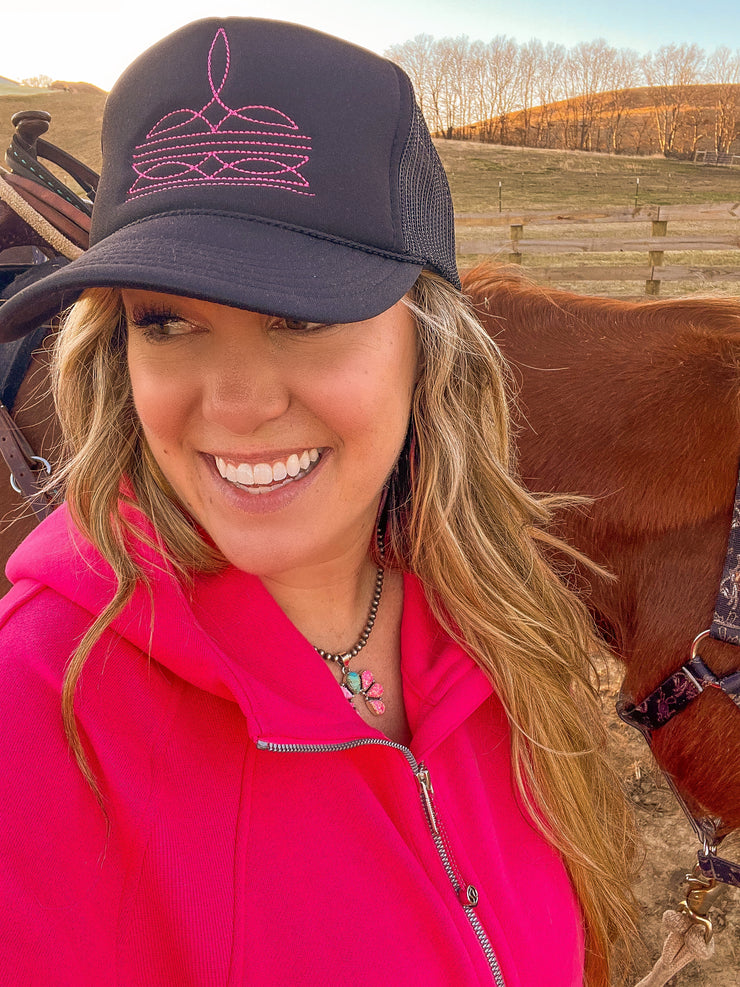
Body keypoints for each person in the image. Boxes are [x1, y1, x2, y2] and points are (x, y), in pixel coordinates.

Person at [0, 17, 635, 986]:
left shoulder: (495, 625)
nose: (235, 405)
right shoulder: (40, 706)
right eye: (165, 323)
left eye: (300, 318)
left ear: (428, 345)